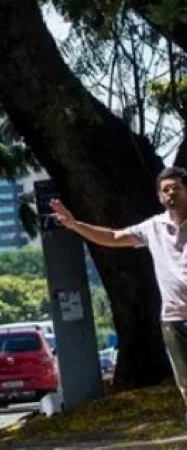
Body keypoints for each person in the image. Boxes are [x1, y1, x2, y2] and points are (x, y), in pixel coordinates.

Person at [50, 165, 187, 422]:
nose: (171, 194)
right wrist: (73, 224)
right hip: (173, 319)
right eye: (165, 190)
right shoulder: (153, 227)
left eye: (176, 188)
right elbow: (113, 237)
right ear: (159, 196)